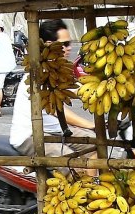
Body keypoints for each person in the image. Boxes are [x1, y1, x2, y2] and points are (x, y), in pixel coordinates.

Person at [9, 19, 95, 157]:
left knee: (94, 144)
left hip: (54, 131)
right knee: (70, 161)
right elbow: (55, 109)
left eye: (70, 44)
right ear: (49, 45)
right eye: (65, 44)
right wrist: (90, 124)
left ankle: (92, 179)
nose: (69, 48)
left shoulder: (59, 71)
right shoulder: (37, 75)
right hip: (29, 136)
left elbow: (78, 90)